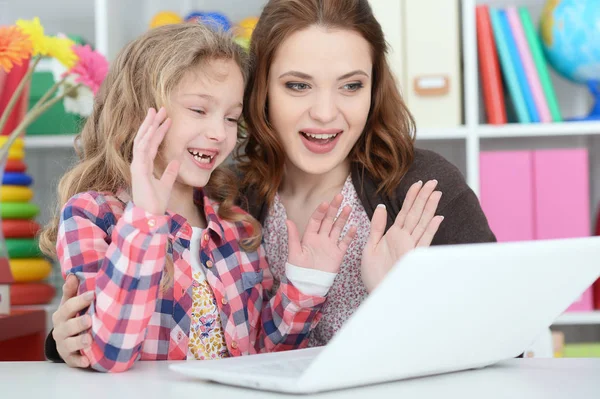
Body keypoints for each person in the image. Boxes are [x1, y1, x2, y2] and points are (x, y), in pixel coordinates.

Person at [46, 0, 494, 366]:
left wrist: (400, 295)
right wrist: (65, 341)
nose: (324, 112)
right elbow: (124, 334)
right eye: (298, 86)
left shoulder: (421, 185)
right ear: (260, 92)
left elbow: (502, 333)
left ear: (374, 89)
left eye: (351, 86)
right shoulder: (230, 193)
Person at [38, 21, 376, 372]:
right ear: (137, 113)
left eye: (231, 118)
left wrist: (307, 282)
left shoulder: (237, 225)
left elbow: (266, 354)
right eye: (199, 110)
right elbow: (108, 353)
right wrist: (145, 220)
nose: (219, 134)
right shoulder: (91, 216)